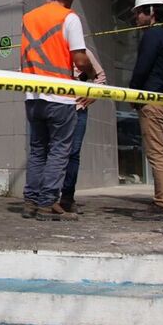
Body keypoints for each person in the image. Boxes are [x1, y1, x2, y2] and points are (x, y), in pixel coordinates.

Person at [20, 0, 97, 221]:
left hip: (32, 95)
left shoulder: (28, 18)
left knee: (37, 150)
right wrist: (92, 74)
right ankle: (47, 203)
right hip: (60, 95)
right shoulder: (69, 18)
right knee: (59, 150)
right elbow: (80, 59)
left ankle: (31, 201)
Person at [129, 0, 163, 221]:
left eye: (139, 13)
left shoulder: (151, 36)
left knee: (157, 154)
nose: (136, 18)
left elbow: (142, 68)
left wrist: (133, 94)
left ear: (150, 12)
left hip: (153, 101)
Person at [59, 47, 107, 214]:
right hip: (54, 108)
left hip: (78, 109)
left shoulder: (84, 52)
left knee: (73, 153)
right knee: (49, 151)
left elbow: (101, 77)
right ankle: (46, 197)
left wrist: (93, 95)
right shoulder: (51, 49)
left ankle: (67, 197)